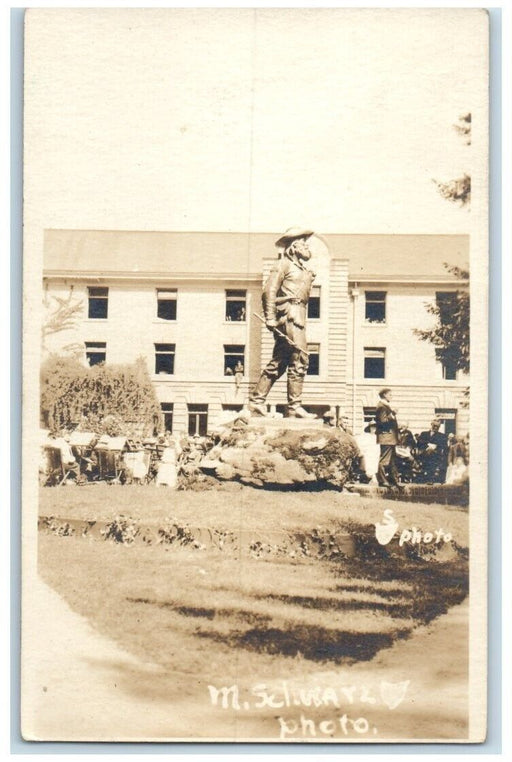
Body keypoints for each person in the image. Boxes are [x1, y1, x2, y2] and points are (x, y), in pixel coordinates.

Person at [249, 227, 317, 419]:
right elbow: (269, 291)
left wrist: (308, 278)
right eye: (303, 244)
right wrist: (270, 317)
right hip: (289, 315)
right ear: (294, 247)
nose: (307, 247)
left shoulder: (301, 268)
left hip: (298, 315)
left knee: (281, 360)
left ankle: (257, 401)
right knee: (300, 357)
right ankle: (294, 406)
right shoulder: (283, 264)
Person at [375, 388, 401, 490]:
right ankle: (382, 481)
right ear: (384, 395)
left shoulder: (384, 406)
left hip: (389, 438)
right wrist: (392, 414)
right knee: (385, 460)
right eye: (390, 394)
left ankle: (393, 481)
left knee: (392, 461)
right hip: (387, 437)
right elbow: (383, 422)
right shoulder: (382, 406)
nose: (391, 396)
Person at [416, 419, 448, 483]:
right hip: (424, 452)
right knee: (426, 455)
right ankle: (424, 477)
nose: (435, 427)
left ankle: (430, 478)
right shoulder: (424, 434)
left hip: (436, 454)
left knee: (432, 458)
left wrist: (435, 447)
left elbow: (444, 446)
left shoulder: (442, 436)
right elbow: (419, 444)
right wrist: (428, 446)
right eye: (434, 426)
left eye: (437, 426)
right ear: (431, 425)